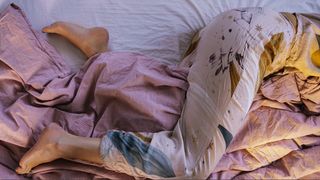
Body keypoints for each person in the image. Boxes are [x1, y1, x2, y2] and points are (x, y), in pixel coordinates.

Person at [15, 8, 296, 179]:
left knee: (168, 109)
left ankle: (98, 51)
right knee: (189, 164)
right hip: (251, 42)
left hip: (240, 31)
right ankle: (62, 143)